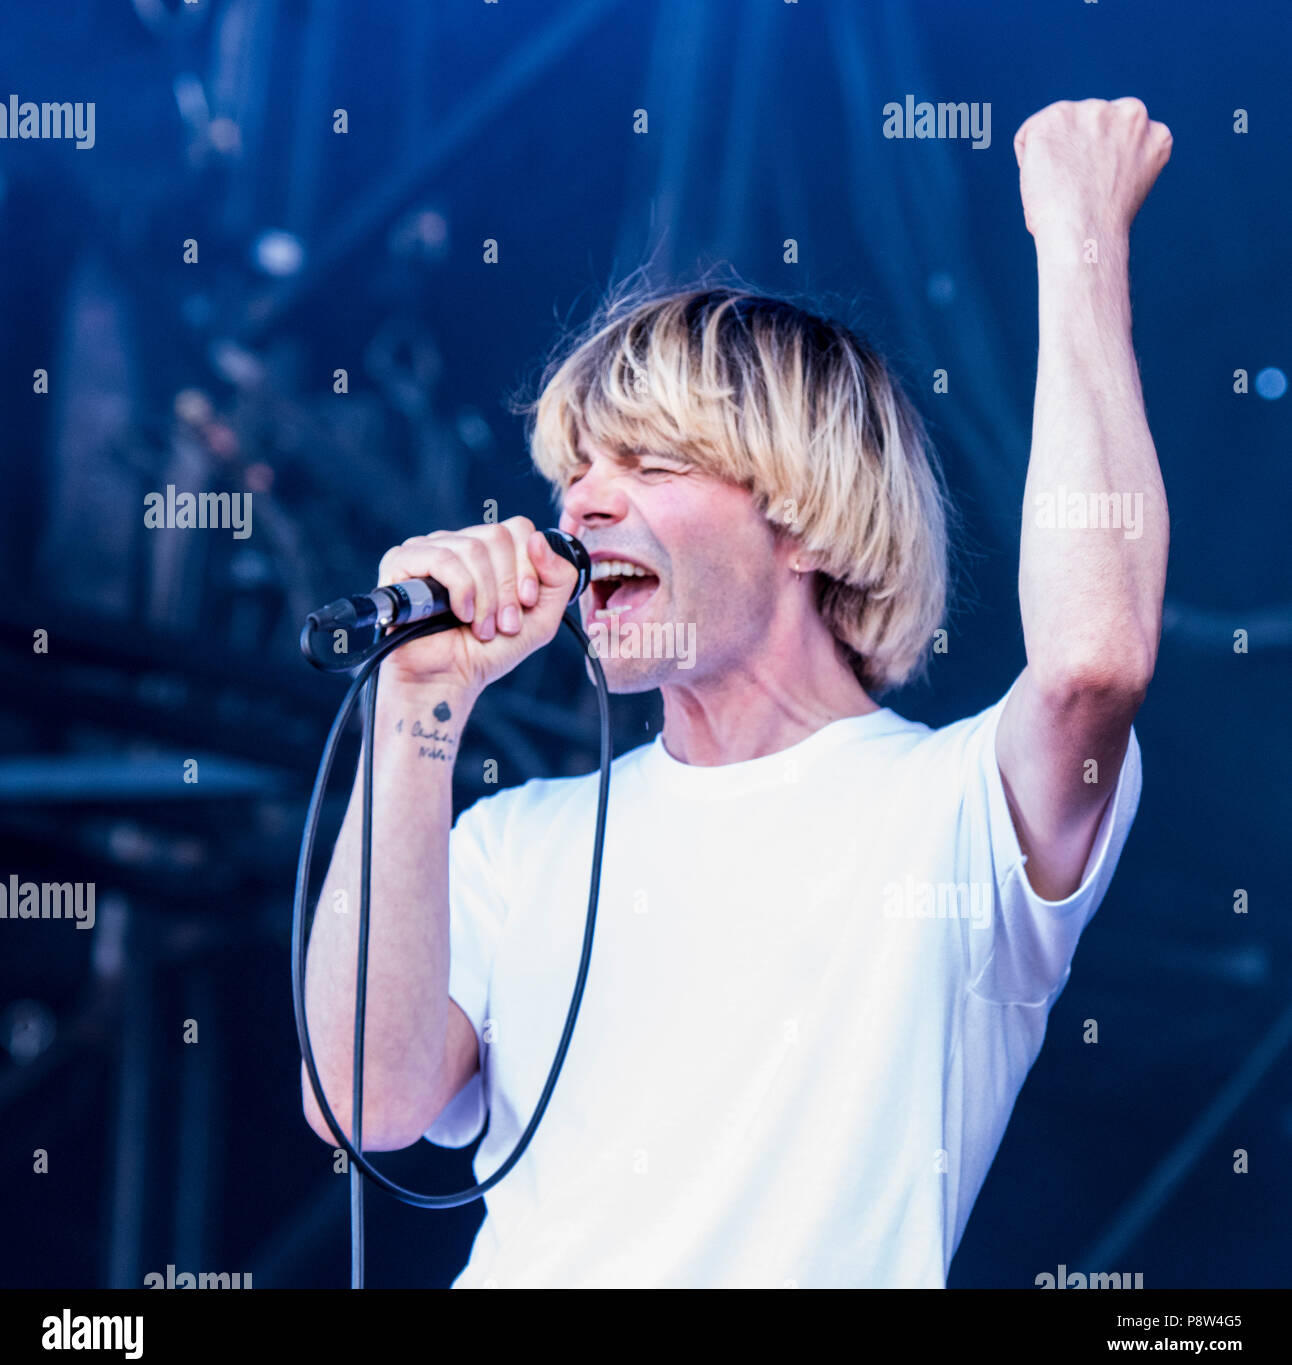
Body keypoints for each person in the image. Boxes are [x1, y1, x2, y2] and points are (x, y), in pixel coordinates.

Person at [302, 98, 1172, 1287]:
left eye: (651, 464)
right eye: (575, 474)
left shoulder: (952, 809)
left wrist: (1079, 236)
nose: (582, 506)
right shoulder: (513, 842)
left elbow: (1092, 661)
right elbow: (361, 1101)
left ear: (806, 520)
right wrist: (416, 706)